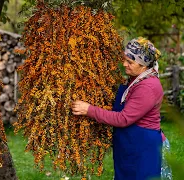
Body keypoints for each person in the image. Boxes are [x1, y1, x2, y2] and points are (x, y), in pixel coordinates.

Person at [71, 37, 171, 180]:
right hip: (130, 145)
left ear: (143, 65)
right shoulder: (135, 79)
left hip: (142, 148)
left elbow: (123, 118)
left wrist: (89, 110)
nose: (124, 64)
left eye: (129, 62)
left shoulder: (148, 87)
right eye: (124, 59)